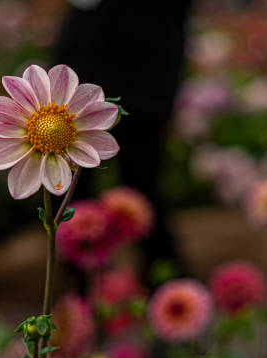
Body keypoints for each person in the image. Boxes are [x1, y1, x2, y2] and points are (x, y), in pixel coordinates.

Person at [54, 0, 192, 281]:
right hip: (90, 63)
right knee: (68, 186)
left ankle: (166, 282)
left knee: (141, 185)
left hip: (143, 70)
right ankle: (81, 287)